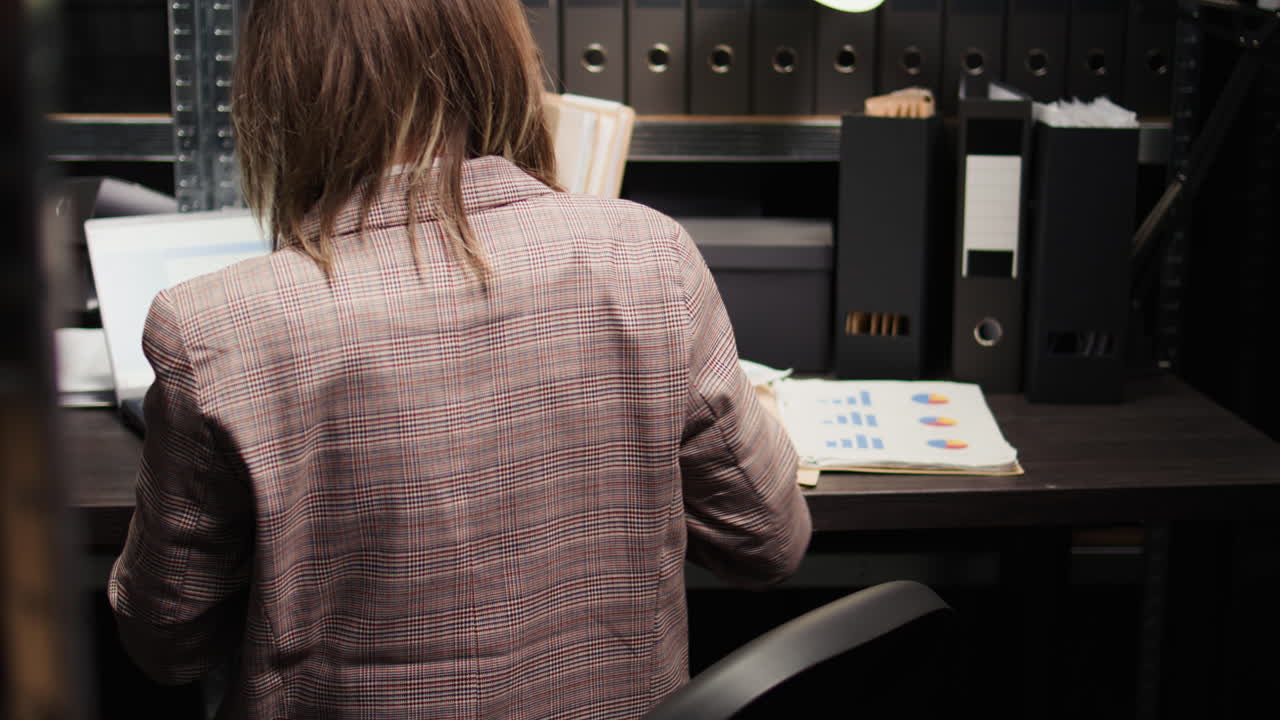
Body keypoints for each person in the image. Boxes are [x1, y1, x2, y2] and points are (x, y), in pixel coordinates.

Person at [107, 0, 811, 717]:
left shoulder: (214, 329)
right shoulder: (651, 258)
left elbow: (166, 644)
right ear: (499, 61)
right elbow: (771, 542)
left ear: (278, 90)